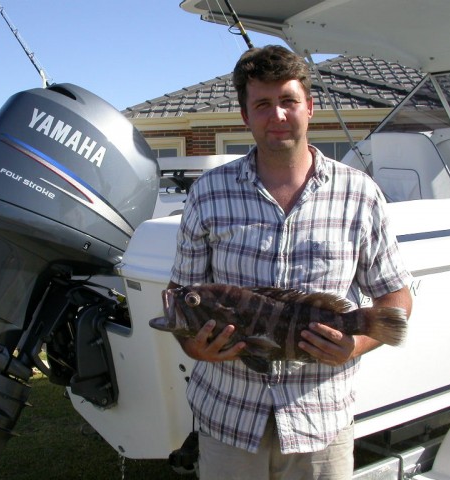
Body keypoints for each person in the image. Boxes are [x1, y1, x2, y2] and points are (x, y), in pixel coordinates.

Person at [167, 45, 413, 479]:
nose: (277, 115)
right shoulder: (208, 193)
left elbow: (396, 296)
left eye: (288, 101)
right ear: (245, 116)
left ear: (309, 108)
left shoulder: (360, 194)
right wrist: (193, 346)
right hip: (227, 421)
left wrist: (354, 344)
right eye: (262, 104)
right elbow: (179, 297)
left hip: (321, 423)